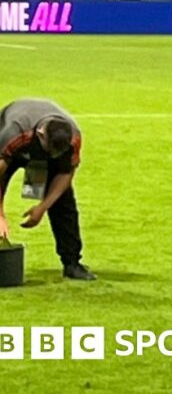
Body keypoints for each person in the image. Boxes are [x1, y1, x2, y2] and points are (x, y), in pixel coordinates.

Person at [0, 99, 96, 281]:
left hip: (39, 150)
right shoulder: (15, 133)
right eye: (49, 151)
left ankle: (72, 263)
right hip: (11, 148)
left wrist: (42, 207)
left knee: (64, 202)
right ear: (41, 134)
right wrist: (0, 215)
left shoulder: (73, 140)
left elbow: (65, 175)